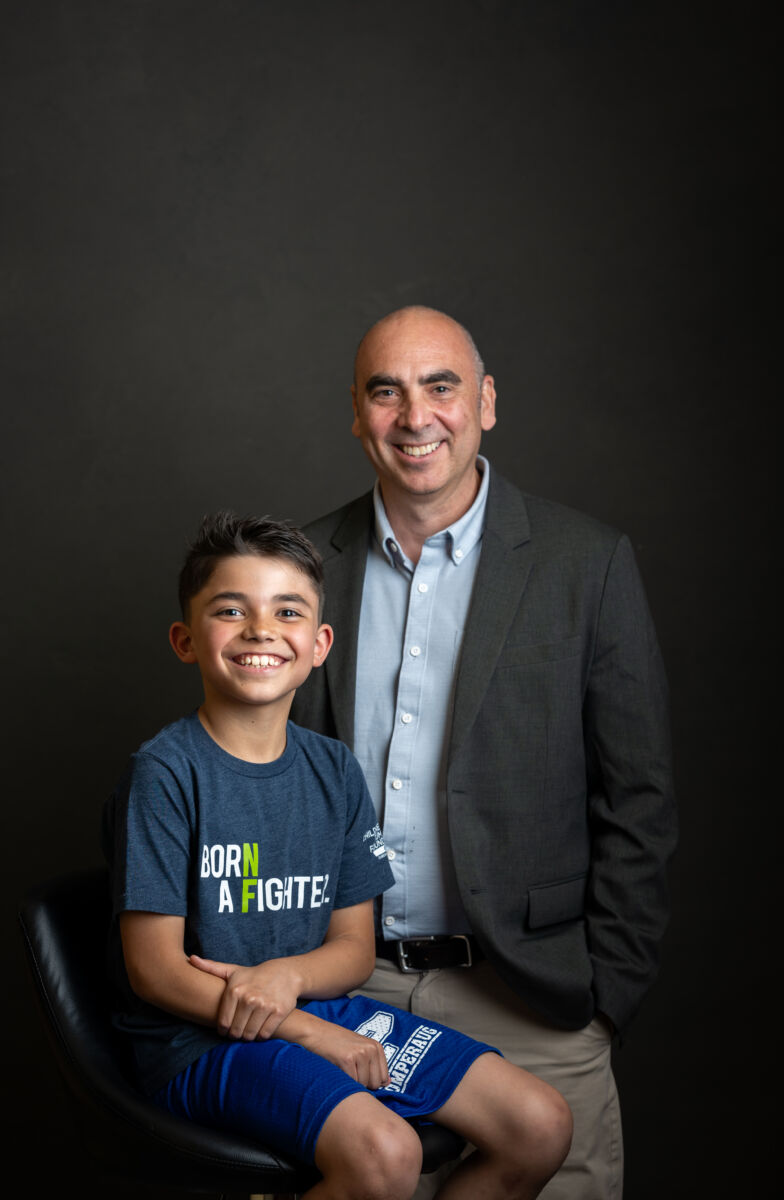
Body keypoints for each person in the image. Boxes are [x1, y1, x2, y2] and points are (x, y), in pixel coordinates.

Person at [290, 306, 677, 1199]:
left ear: (487, 402)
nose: (415, 416)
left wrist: (603, 1000)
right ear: (357, 414)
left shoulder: (588, 563)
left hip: (534, 1000)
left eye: (441, 386)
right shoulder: (305, 568)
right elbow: (268, 780)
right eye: (385, 392)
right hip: (355, 996)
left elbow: (640, 801)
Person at [102, 511, 572, 1200]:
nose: (261, 629)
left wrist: (287, 981)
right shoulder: (166, 774)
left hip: (310, 1010)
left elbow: (353, 948)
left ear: (319, 643)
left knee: (539, 1124)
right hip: (199, 1043)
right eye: (231, 610)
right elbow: (156, 973)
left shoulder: (335, 771)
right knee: (386, 1155)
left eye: (286, 611)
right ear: (185, 639)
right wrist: (305, 1032)